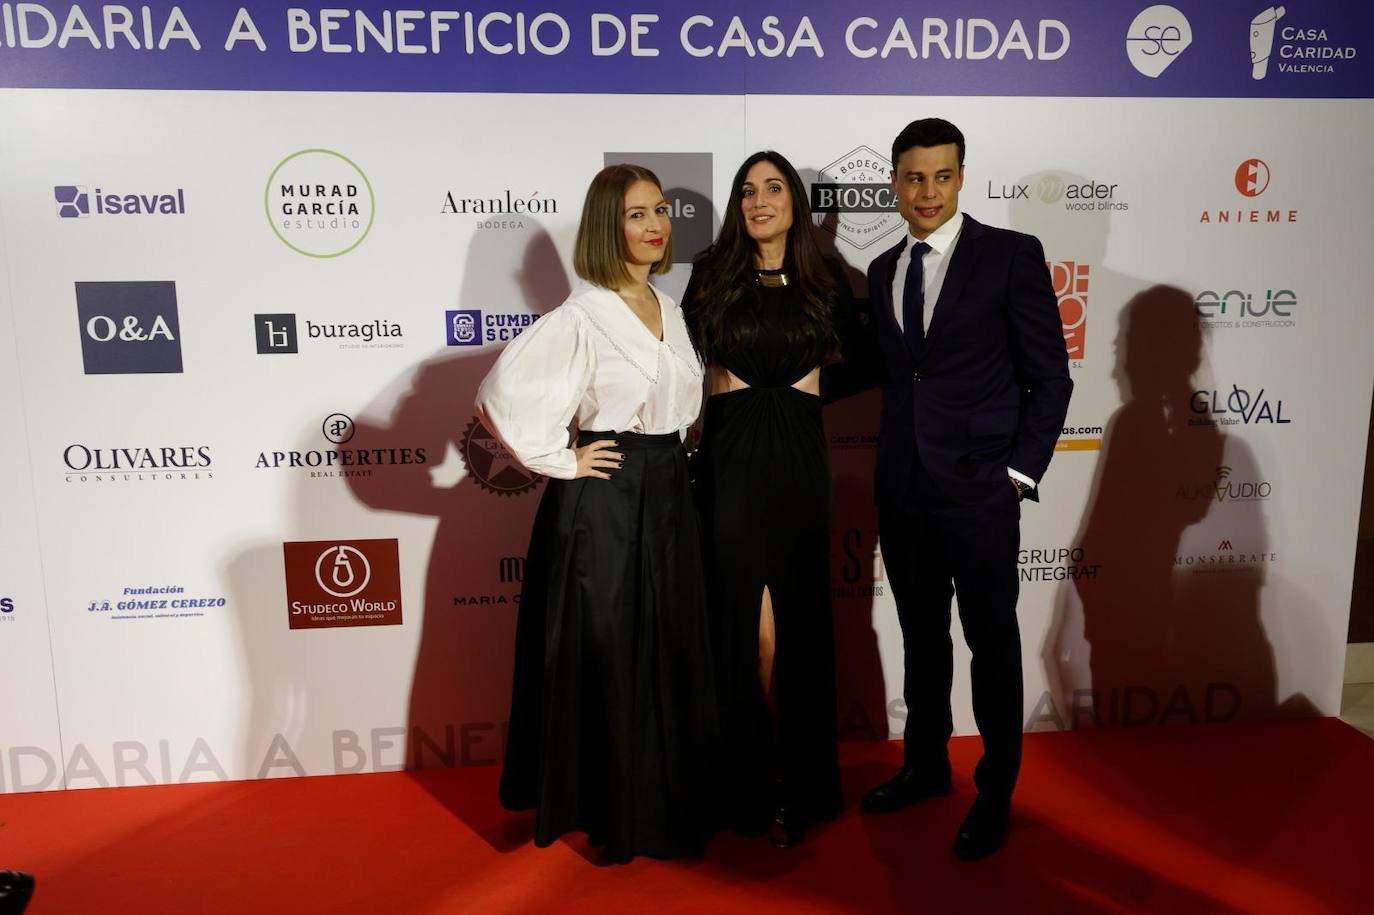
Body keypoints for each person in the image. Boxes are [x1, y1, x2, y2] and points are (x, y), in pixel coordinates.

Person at [478, 164, 718, 863]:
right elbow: (500, 395)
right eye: (636, 214)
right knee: (612, 652)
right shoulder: (582, 315)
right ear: (607, 228)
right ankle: (614, 811)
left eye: (661, 210)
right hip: (607, 499)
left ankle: (666, 803)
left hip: (670, 488)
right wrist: (564, 458)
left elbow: (681, 401)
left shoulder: (670, 308)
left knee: (665, 644)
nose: (654, 225)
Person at [856, 118, 1072, 860]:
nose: (927, 191)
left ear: (961, 176)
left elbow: (1051, 377)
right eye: (913, 177)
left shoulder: (1010, 256)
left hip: (980, 490)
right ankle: (923, 766)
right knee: (921, 638)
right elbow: (890, 373)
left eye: (941, 176)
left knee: (990, 641)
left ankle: (995, 790)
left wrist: (1016, 474)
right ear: (893, 180)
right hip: (905, 489)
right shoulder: (882, 269)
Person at [683, 151, 852, 847]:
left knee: (799, 624)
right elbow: (674, 366)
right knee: (748, 630)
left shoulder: (825, 279)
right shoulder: (710, 275)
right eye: (748, 190)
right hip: (730, 460)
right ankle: (744, 783)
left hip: (800, 463)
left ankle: (798, 783)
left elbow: (863, 363)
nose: (759, 201)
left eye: (773, 188)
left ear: (794, 201)